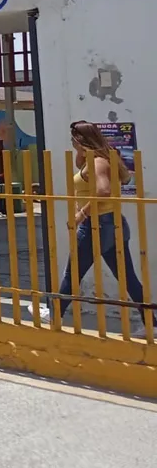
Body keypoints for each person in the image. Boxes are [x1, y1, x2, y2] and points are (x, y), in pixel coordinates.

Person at [41, 121, 148, 327]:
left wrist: (81, 214)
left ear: (80, 139)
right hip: (113, 223)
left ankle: (54, 315)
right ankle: (151, 323)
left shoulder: (98, 162)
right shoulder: (102, 158)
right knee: (128, 278)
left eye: (73, 138)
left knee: (72, 274)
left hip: (96, 225)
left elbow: (103, 191)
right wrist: (82, 154)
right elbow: (120, 180)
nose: (71, 141)